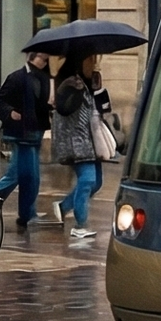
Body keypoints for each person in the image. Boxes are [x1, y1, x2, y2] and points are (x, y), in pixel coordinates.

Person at [0, 48, 54, 230]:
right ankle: (25, 214)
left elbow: (42, 105)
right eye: (43, 58)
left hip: (35, 133)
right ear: (32, 57)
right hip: (21, 134)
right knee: (28, 176)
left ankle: (15, 210)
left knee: (23, 175)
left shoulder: (43, 80)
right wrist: (10, 113)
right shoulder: (17, 77)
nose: (45, 62)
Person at [50, 55, 108, 244]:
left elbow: (103, 108)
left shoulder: (88, 82)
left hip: (92, 139)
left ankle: (64, 205)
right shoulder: (69, 82)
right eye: (90, 59)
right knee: (87, 180)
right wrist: (67, 88)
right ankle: (80, 225)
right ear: (79, 61)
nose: (94, 63)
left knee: (96, 182)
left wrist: (97, 88)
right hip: (75, 140)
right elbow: (64, 109)